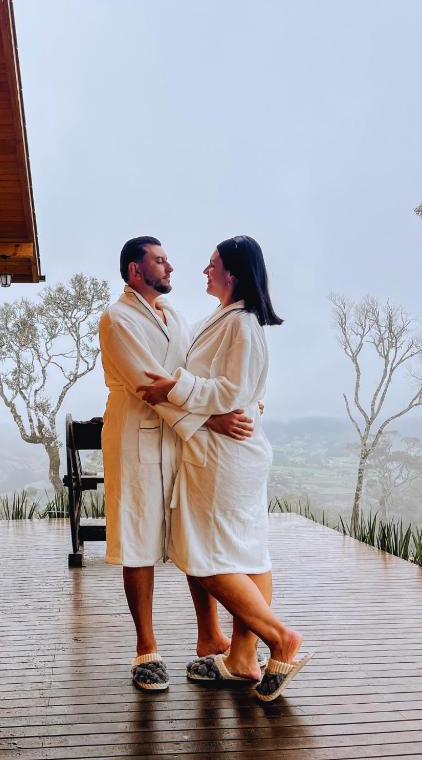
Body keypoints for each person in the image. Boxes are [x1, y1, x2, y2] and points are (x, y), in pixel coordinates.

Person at [138, 235, 313, 701]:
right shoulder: (221, 319)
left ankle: (281, 639)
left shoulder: (244, 324)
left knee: (202, 555)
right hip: (229, 451)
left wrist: (173, 388)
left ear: (232, 272)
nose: (204, 269)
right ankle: (241, 658)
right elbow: (239, 388)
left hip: (225, 456)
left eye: (212, 263)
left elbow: (233, 390)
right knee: (248, 554)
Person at [99, 236, 255, 691]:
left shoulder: (175, 316)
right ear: (135, 270)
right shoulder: (117, 318)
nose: (170, 267)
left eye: (168, 260)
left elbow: (196, 372)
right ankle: (146, 648)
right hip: (137, 439)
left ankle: (210, 636)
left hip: (182, 440)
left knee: (194, 534)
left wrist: (244, 400)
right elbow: (147, 384)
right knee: (139, 539)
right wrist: (211, 419)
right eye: (160, 261)